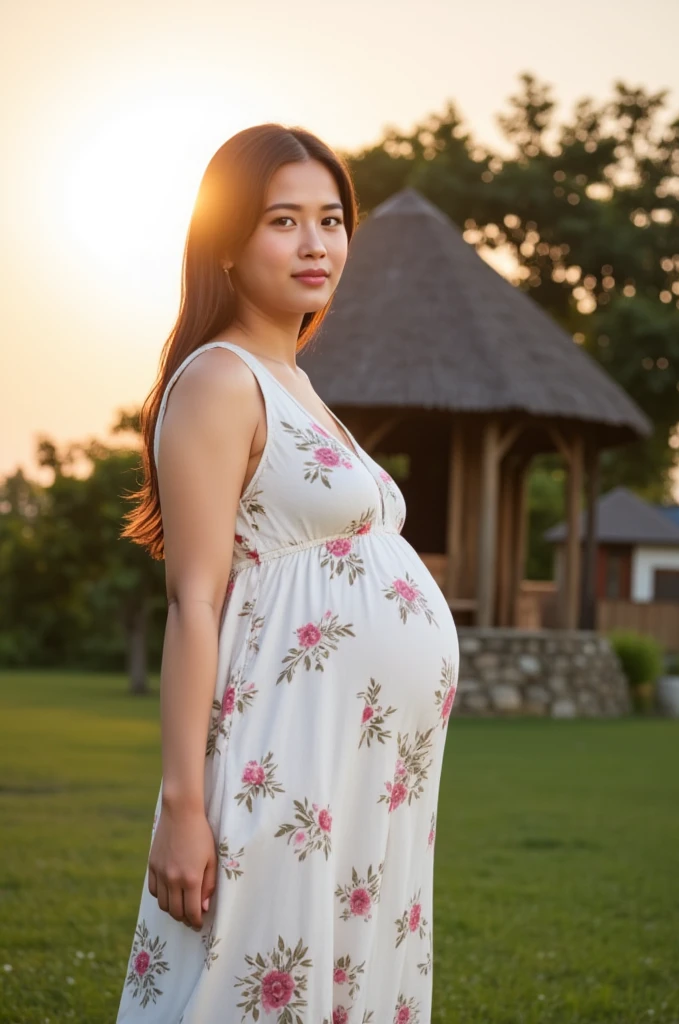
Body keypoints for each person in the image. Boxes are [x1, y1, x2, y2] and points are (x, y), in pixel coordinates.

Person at [116, 122, 460, 1023]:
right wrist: (184, 810)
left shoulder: (295, 380)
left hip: (365, 770)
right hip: (287, 749)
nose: (317, 244)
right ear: (227, 243)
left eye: (332, 219)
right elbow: (196, 599)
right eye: (283, 220)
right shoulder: (220, 380)